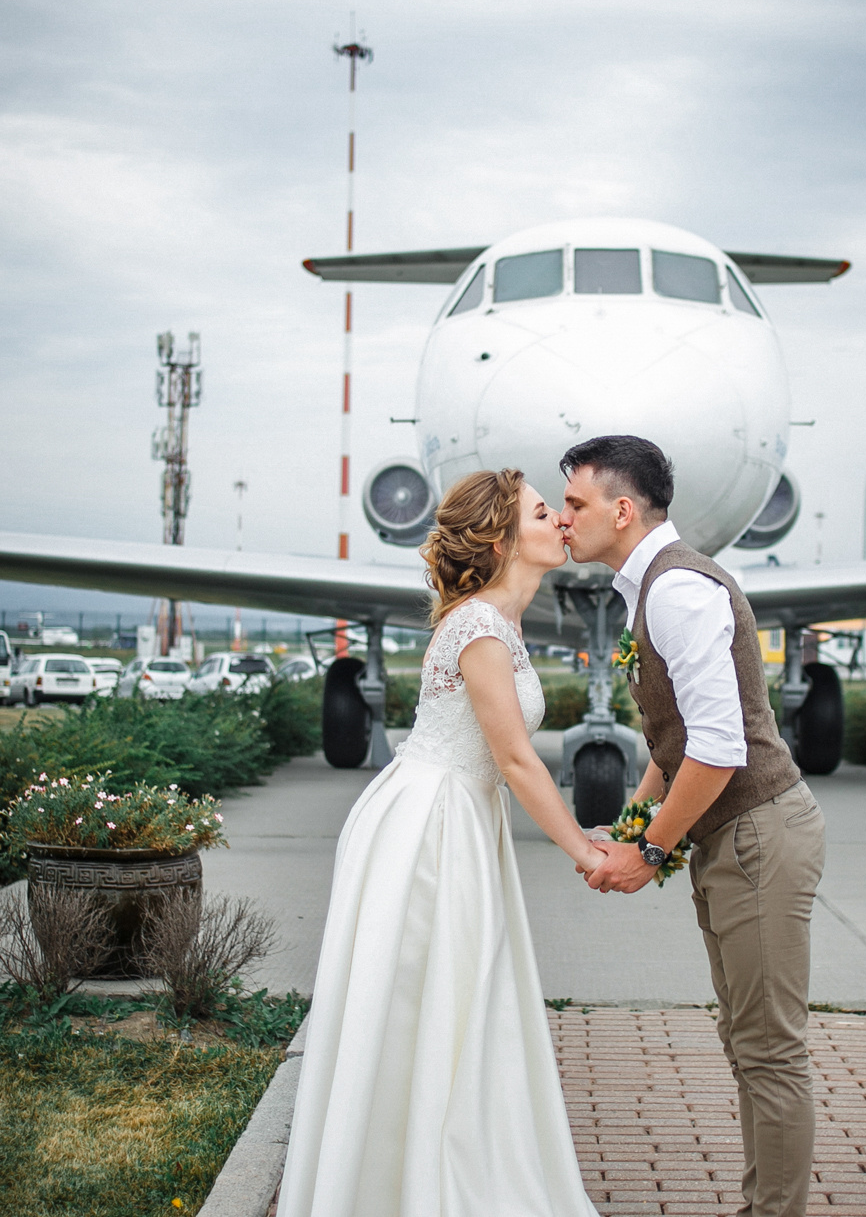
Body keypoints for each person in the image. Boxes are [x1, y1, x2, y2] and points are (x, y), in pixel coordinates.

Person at [277, 468, 603, 1217]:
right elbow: (518, 760)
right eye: (543, 511)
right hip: (430, 826)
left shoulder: (498, 619)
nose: (559, 522)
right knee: (421, 1001)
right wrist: (583, 849)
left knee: (458, 998)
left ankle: (438, 1170)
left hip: (458, 812)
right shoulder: (479, 627)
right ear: (498, 537)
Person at [561, 434, 826, 1217]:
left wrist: (649, 850)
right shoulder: (650, 588)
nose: (564, 518)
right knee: (748, 1044)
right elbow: (675, 745)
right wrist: (632, 824)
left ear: (622, 509)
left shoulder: (676, 592)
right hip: (737, 838)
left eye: (574, 504)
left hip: (758, 837)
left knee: (769, 1051)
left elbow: (718, 747)